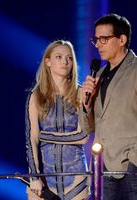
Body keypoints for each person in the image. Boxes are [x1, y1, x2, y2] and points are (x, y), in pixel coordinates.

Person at [80, 13, 137, 200]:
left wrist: (135, 162)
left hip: (136, 169)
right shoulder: (99, 75)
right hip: (104, 169)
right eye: (96, 39)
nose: (98, 44)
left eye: (104, 39)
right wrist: (85, 104)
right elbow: (89, 127)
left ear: (122, 39)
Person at [25, 40, 92, 200]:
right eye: (59, 57)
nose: (65, 61)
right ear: (47, 61)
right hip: (43, 181)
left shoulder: (81, 93)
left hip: (77, 182)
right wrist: (34, 177)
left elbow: (83, 136)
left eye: (69, 58)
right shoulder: (36, 96)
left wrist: (44, 136)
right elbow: (31, 139)